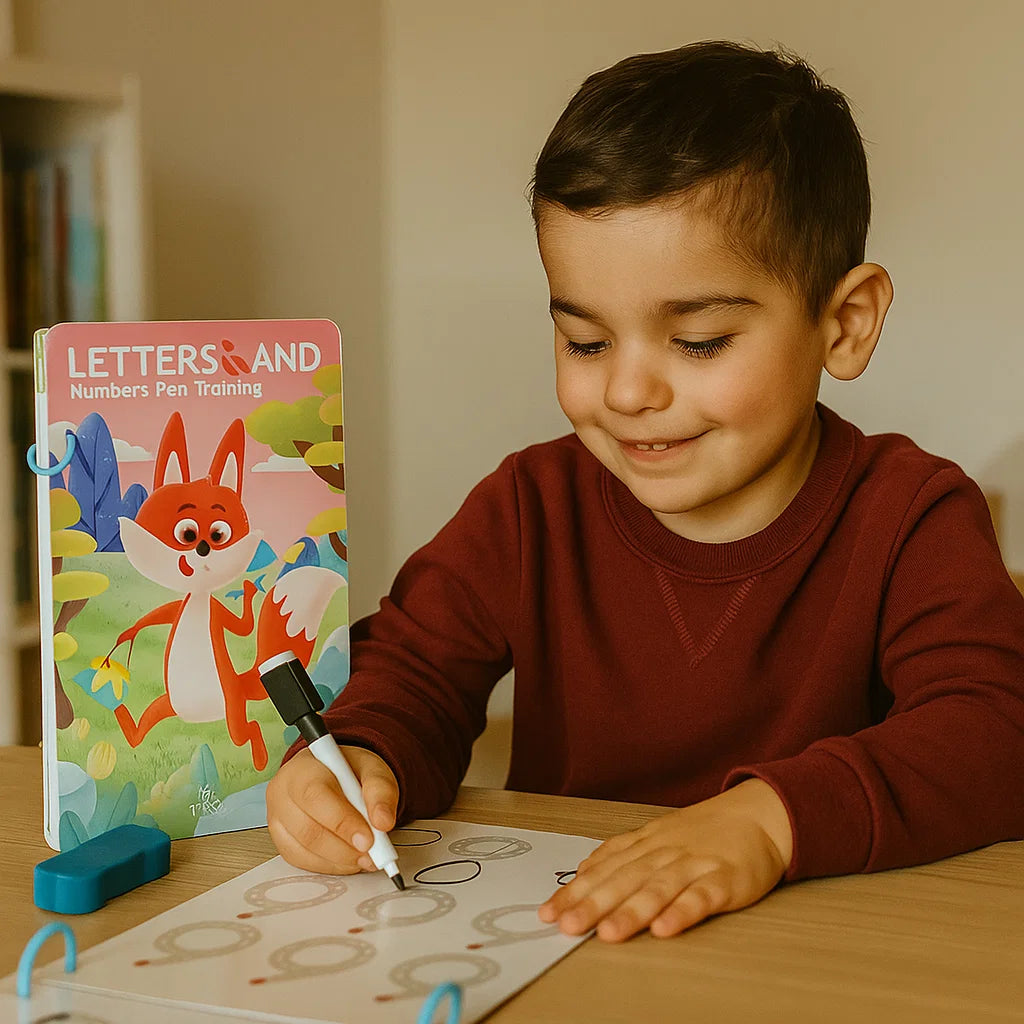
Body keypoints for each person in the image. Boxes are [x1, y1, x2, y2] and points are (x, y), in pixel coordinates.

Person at [266, 40, 1024, 942]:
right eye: (586, 342)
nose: (627, 394)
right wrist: (360, 753)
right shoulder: (530, 507)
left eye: (698, 341)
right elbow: (412, 670)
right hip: (573, 940)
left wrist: (768, 823)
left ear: (844, 324)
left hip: (817, 949)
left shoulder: (912, 515)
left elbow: (996, 730)